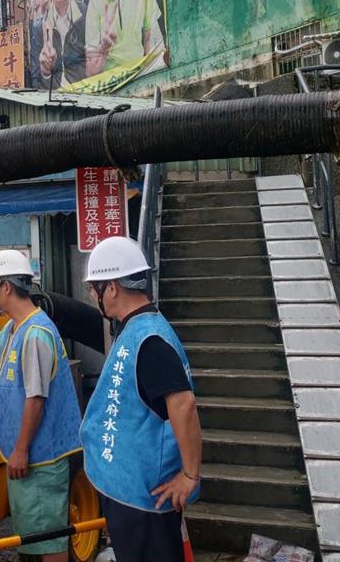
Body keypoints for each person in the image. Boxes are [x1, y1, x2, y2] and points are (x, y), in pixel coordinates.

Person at [0, 249, 82, 562]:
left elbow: (36, 398)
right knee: (33, 539)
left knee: (49, 541)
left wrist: (20, 449)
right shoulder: (15, 328)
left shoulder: (35, 334)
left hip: (40, 459)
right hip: (28, 460)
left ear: (5, 287)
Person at [80, 236, 202, 562]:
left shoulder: (149, 340)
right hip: (134, 492)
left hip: (145, 500)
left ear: (113, 288)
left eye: (95, 288)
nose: (93, 296)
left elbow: (184, 404)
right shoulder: (137, 329)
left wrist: (190, 475)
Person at [31, 0, 87, 89]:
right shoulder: (39, 27)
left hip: (86, 101)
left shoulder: (85, 14)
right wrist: (45, 72)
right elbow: (36, 82)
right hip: (55, 106)